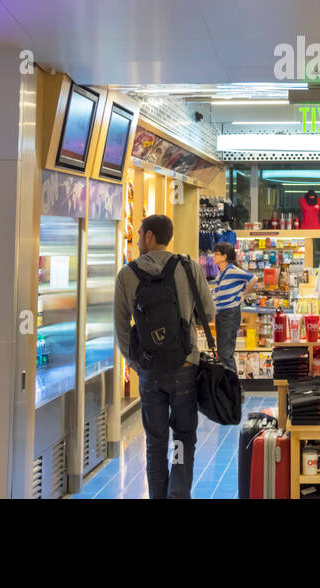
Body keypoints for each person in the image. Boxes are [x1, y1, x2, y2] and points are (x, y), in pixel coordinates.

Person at [114, 214, 216, 499]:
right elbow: (208, 313)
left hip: (149, 371)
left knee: (155, 442)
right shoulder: (188, 267)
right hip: (185, 366)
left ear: (149, 236)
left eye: (138, 234)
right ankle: (179, 494)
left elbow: (121, 326)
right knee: (183, 437)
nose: (136, 240)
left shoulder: (127, 274)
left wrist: (135, 362)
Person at [210, 241, 256, 374]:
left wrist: (244, 295)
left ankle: (232, 387)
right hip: (222, 313)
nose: (213, 256)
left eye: (217, 254)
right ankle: (229, 386)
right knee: (223, 352)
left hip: (229, 313)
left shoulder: (232, 270)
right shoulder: (221, 272)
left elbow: (253, 278)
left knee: (225, 353)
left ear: (224, 256)